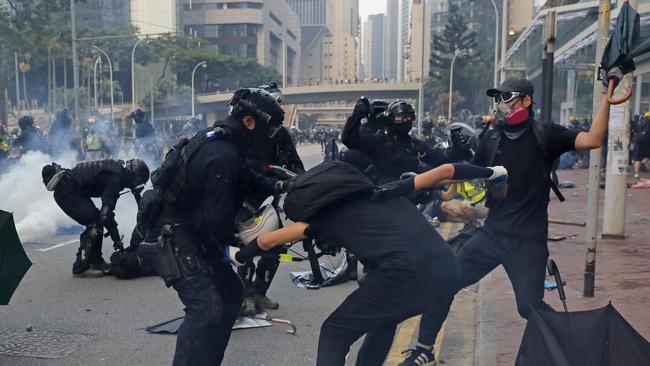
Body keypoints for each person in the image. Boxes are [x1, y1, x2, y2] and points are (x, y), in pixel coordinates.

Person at [398, 74, 618, 366]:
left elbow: (593, 139)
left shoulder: (546, 135)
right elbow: (467, 176)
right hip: (492, 234)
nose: (500, 104)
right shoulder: (491, 138)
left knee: (530, 309)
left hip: (528, 240)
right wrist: (440, 189)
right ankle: (424, 349)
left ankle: (580, 348)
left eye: (506, 97)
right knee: (444, 280)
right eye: (497, 98)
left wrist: (606, 98)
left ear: (526, 101)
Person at [232, 162, 508, 365]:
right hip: (447, 272)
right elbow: (446, 170)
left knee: (334, 332)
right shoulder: (385, 190)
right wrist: (492, 173)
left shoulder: (319, 221)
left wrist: (240, 255)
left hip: (404, 278)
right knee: (383, 320)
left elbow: (267, 241)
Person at [156, 87, 283, 365]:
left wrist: (281, 184)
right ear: (249, 122)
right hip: (177, 235)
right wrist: (247, 242)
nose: (269, 136)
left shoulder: (222, 142)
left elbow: (250, 178)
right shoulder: (223, 154)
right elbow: (217, 221)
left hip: (196, 235)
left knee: (231, 293)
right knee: (206, 306)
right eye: (267, 129)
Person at [238, 124, 305, 315]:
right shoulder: (241, 131)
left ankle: (259, 291)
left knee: (276, 248)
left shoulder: (279, 132)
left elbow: (294, 162)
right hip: (245, 199)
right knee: (246, 247)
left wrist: (301, 180)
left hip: (272, 196)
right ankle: (245, 296)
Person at [42, 159, 149, 277]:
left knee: (96, 220)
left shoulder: (117, 172)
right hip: (66, 193)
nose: (136, 186)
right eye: (138, 182)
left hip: (71, 189)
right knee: (94, 223)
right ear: (135, 177)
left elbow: (106, 214)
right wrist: (116, 239)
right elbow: (106, 216)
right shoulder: (117, 179)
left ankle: (96, 262)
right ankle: (81, 267)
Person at [632, 112, 650, 179]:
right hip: (648, 143)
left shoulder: (640, 124)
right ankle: (643, 163)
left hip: (639, 143)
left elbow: (634, 131)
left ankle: (636, 173)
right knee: (648, 156)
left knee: (637, 158)